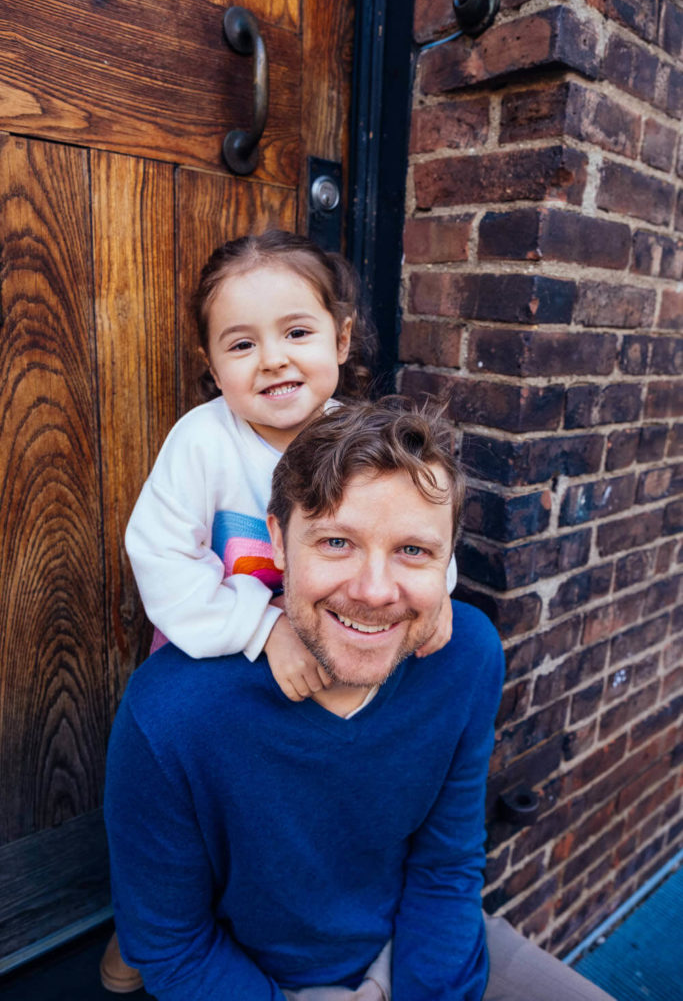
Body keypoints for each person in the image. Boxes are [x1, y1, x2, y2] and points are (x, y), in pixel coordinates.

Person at [104, 397, 615, 1001]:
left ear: (448, 557)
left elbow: (446, 865)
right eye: (336, 542)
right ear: (277, 541)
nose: (374, 591)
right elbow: (174, 946)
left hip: (418, 943)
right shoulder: (171, 713)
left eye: (413, 550)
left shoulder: (465, 656)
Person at [101, 234, 456, 992]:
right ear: (210, 362)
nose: (272, 360)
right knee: (193, 804)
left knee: (280, 810)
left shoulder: (361, 437)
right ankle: (148, 923)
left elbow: (416, 517)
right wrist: (261, 630)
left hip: (331, 648)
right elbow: (159, 554)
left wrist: (442, 594)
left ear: (341, 339)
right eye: (241, 344)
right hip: (222, 652)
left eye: (296, 332)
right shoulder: (202, 441)